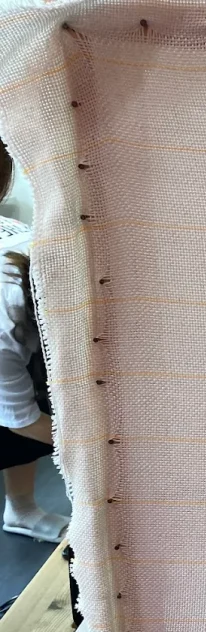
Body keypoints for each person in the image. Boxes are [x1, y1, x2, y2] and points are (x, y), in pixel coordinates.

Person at [0, 138, 66, 542]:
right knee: (21, 420)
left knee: (43, 395)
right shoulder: (6, 315)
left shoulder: (33, 248)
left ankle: (21, 509)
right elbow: (21, 419)